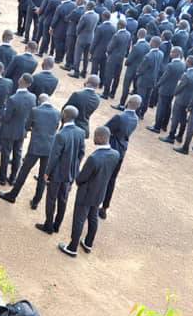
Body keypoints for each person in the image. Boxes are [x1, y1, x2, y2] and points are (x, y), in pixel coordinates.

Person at [58, 126, 121, 257]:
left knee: (79, 219)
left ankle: (72, 247)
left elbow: (81, 178)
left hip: (86, 194)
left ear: (101, 138)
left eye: (96, 136)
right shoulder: (115, 154)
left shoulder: (94, 158)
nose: (94, 138)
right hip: (100, 193)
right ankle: (88, 243)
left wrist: (77, 178)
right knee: (93, 217)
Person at [0, 92, 59, 206]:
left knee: (24, 171)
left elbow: (27, 126)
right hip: (49, 148)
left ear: (39, 101)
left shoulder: (35, 111)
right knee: (43, 176)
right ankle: (36, 201)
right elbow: (56, 127)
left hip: (35, 147)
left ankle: (13, 195)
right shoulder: (57, 112)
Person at [37, 106, 85, 235]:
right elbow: (81, 153)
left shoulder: (60, 135)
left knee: (51, 199)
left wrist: (47, 173)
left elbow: (54, 157)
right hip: (70, 174)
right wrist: (74, 168)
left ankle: (48, 226)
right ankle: (57, 225)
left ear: (64, 115)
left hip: (57, 174)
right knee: (63, 200)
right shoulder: (81, 132)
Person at [100, 95, 141, 219]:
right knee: (112, 179)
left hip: (111, 148)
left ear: (128, 102)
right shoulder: (136, 118)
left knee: (102, 177)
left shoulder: (119, 117)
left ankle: (94, 203)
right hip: (122, 150)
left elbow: (105, 130)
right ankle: (104, 208)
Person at [0, 74, 37, 186]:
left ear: (20, 81)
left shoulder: (13, 99)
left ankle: (2, 177)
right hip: (22, 130)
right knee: (17, 154)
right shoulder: (33, 97)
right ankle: (13, 178)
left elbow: (6, 118)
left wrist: (3, 112)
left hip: (9, 130)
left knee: (6, 154)